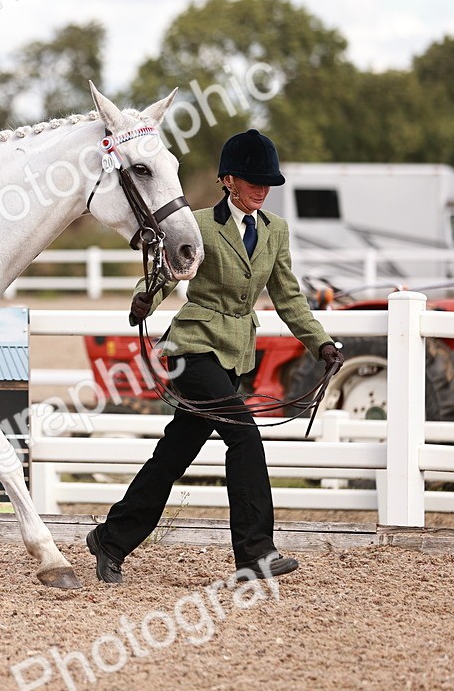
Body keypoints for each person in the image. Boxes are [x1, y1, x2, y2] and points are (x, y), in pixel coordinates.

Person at [86, 128, 344, 583]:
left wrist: (320, 342)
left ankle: (111, 539)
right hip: (192, 349)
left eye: (267, 183)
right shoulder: (200, 225)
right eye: (252, 181)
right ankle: (255, 553)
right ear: (228, 180)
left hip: (236, 357)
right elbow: (168, 272)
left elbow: (289, 298)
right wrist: (144, 296)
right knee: (244, 438)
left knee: (174, 454)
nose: (262, 190)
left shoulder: (275, 232)